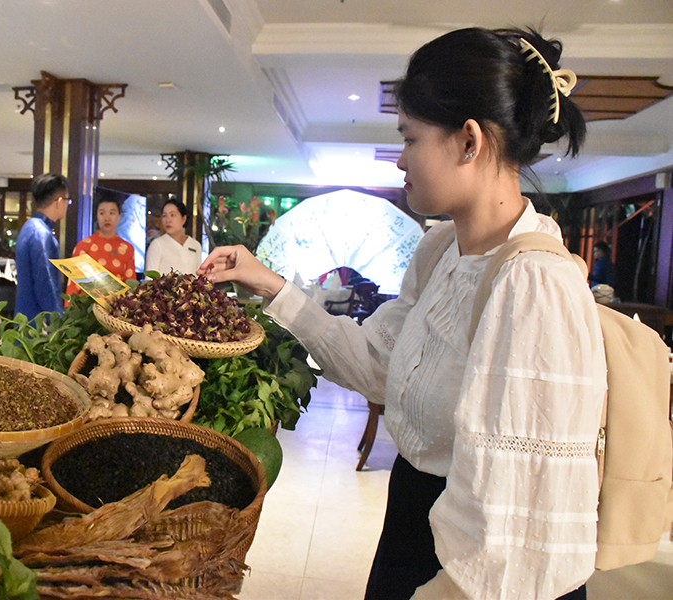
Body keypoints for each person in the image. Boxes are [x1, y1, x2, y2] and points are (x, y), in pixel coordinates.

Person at [199, 27, 606, 600]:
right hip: (414, 519)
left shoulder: (536, 282)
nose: (399, 160)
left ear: (469, 141)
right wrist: (268, 283)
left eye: (410, 138)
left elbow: (515, 541)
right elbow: (380, 365)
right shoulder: (440, 249)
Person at [15, 173, 68, 320]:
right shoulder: (42, 234)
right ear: (59, 201)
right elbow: (46, 285)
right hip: (38, 322)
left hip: (25, 314)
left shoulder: (30, 227)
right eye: (67, 201)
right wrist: (57, 322)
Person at [66, 196, 136, 295]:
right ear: (97, 216)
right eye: (102, 213)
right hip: (87, 307)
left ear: (119, 216)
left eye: (112, 213)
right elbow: (73, 285)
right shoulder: (84, 246)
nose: (107, 218)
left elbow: (131, 285)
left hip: (117, 307)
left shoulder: (127, 248)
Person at [144, 198, 202, 274]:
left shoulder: (195, 245)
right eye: (164, 216)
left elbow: (198, 275)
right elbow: (149, 278)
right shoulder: (157, 245)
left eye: (172, 215)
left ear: (183, 219)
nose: (168, 220)